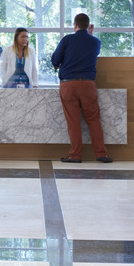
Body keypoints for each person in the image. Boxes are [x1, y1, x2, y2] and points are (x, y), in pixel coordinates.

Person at [50, 13, 112, 163]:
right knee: (93, 119)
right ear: (88, 25)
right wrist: (90, 35)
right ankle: (101, 154)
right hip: (88, 85)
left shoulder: (67, 40)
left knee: (73, 121)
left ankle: (75, 155)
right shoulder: (96, 42)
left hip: (68, 84)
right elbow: (89, 51)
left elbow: (55, 60)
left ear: (75, 25)